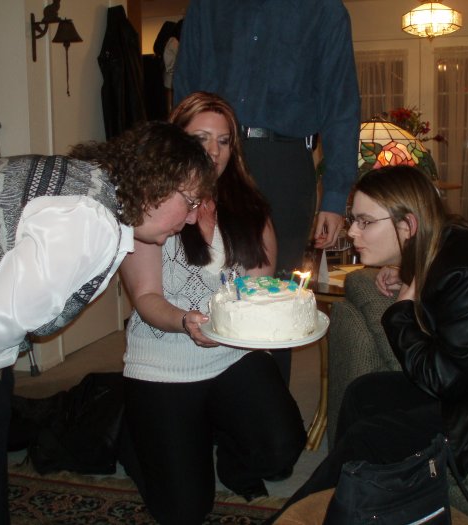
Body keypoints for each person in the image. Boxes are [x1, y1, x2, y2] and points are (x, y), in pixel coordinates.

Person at [0, 121, 216, 525]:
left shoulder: (94, 185)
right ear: (156, 184)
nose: (191, 219)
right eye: (190, 202)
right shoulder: (88, 221)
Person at [269, 165, 468, 521]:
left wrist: (401, 312)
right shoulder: (444, 245)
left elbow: (444, 379)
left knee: (371, 437)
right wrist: (406, 267)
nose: (352, 231)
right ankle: (358, 501)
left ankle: (294, 518)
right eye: (354, 219)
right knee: (364, 393)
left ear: (408, 225)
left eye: (366, 222)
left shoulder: (465, 272)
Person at [119, 92, 307, 525]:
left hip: (232, 354)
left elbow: (262, 283)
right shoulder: (146, 205)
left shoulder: (249, 206)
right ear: (175, 139)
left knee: (280, 450)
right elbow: (146, 299)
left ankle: (218, 436)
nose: (214, 151)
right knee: (185, 511)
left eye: (224, 141)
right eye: (201, 137)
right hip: (163, 359)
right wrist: (186, 322)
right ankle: (138, 433)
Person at [172, 0, 361, 383]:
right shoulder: (206, 8)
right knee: (203, 279)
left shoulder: (324, 11)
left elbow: (341, 106)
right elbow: (184, 91)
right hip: (212, 156)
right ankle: (200, 396)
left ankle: (266, 411)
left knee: (273, 296)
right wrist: (176, 166)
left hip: (285, 163)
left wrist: (336, 195)